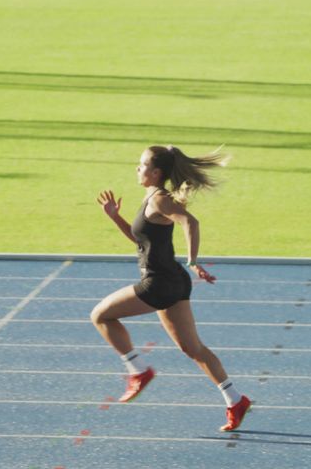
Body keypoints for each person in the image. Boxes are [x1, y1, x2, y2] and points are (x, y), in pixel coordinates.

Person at [91, 145, 251, 432]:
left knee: (100, 316)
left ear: (155, 173)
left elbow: (191, 222)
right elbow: (143, 241)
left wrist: (193, 261)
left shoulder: (160, 200)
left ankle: (138, 371)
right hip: (172, 281)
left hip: (160, 283)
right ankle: (235, 400)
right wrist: (115, 217)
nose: (136, 169)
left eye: (141, 165)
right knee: (193, 348)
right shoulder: (152, 196)